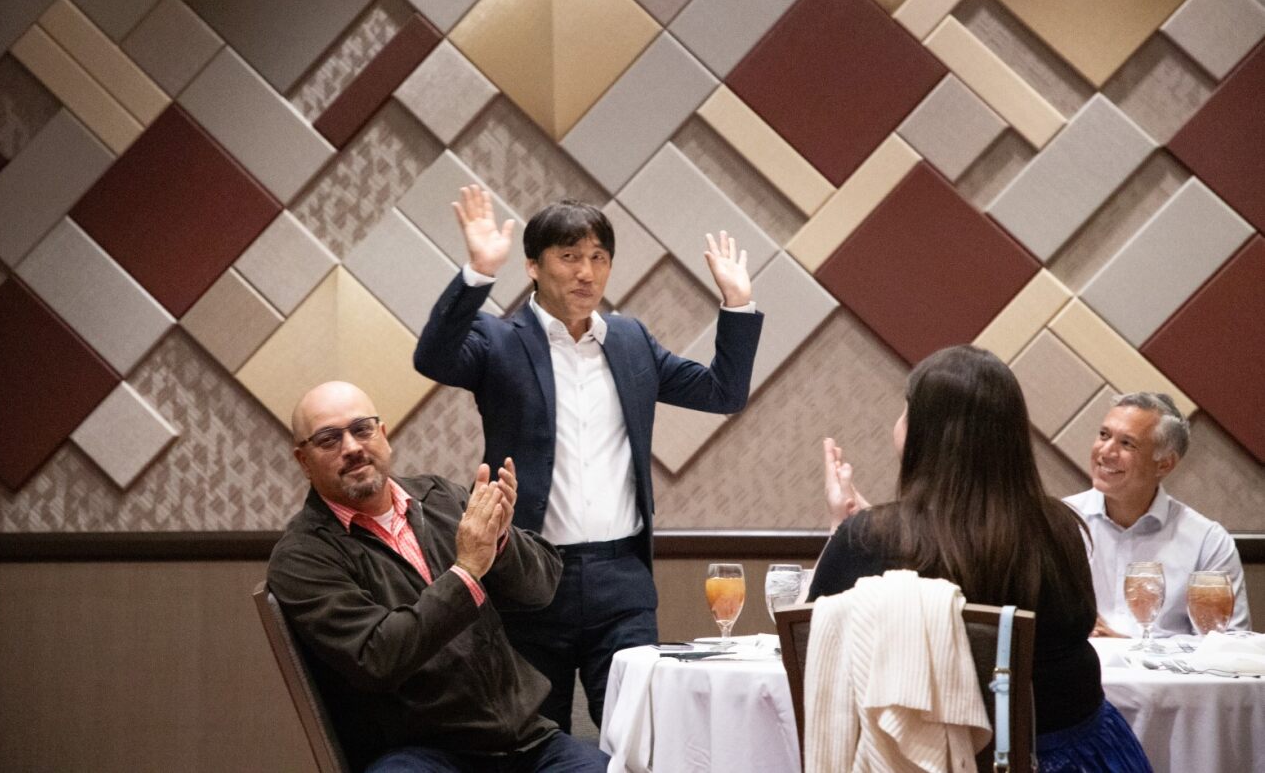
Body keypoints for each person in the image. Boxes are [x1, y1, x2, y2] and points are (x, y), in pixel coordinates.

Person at [413, 186, 763, 731]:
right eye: (569, 256)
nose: (587, 272)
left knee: (640, 742)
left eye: (599, 257)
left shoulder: (630, 340)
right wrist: (477, 274)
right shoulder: (498, 340)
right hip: (530, 575)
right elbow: (432, 357)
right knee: (535, 740)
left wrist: (737, 305)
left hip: (621, 579)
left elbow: (723, 392)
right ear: (532, 265)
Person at [808, 345, 1151, 772]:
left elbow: (817, 647)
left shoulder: (871, 540)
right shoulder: (1059, 528)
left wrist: (847, 530)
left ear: (922, 432)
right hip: (1073, 756)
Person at [267, 381, 608, 772]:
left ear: (383, 434)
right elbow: (377, 657)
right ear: (303, 460)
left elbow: (542, 590)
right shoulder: (302, 555)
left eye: (361, 429)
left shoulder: (442, 497)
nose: (351, 447)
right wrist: (465, 572)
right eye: (329, 439)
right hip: (418, 751)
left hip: (524, 740)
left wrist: (500, 543)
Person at [1063, 392, 1250, 638]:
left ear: (1164, 464)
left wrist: (1129, 647)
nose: (1106, 452)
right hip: (1078, 676)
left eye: (1127, 443)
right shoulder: (1060, 522)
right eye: (1104, 435)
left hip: (1165, 677)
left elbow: (1228, 647)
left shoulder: (1206, 542)